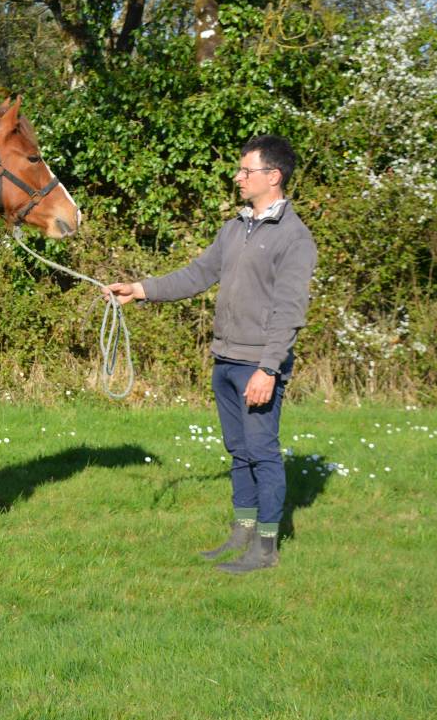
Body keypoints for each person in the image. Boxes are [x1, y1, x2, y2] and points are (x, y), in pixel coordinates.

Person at [106, 135, 317, 574]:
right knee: (239, 451)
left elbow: (289, 312)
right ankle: (240, 532)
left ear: (272, 177)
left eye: (246, 171)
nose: (237, 177)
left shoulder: (294, 238)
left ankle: (265, 547)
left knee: (262, 451)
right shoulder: (235, 227)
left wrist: (268, 369)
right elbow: (198, 274)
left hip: (258, 364)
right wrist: (141, 290)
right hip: (225, 359)